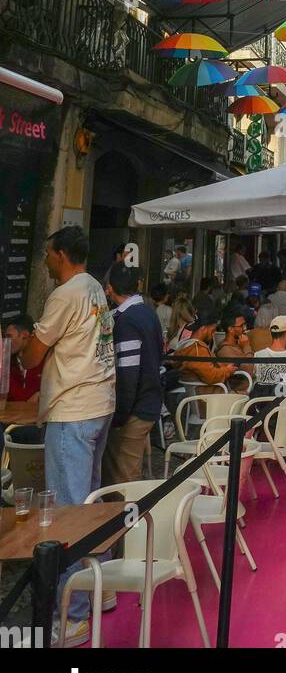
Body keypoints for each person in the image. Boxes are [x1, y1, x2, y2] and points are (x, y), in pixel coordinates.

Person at [18, 226, 116, 646]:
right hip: (100, 402)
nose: (43, 260)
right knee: (91, 502)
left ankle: (72, 616)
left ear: (59, 255)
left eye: (46, 253)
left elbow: (35, 353)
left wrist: (20, 345)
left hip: (73, 410)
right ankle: (102, 588)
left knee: (69, 513)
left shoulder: (65, 294)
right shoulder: (94, 286)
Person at [103, 265, 163, 486]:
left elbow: (128, 373)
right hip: (148, 402)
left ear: (109, 289)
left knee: (123, 480)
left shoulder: (126, 320)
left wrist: (119, 415)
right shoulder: (149, 313)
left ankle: (127, 520)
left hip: (133, 410)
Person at [172, 306, 237, 388]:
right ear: (203, 328)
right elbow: (211, 376)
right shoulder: (197, 350)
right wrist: (228, 370)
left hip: (196, 394)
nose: (213, 334)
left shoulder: (185, 345)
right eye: (213, 330)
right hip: (207, 396)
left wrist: (223, 367)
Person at [3, 314, 42, 404]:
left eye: (9, 337)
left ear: (25, 334)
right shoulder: (5, 363)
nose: (6, 342)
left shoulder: (44, 361)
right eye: (5, 337)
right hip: (10, 416)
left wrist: (41, 394)